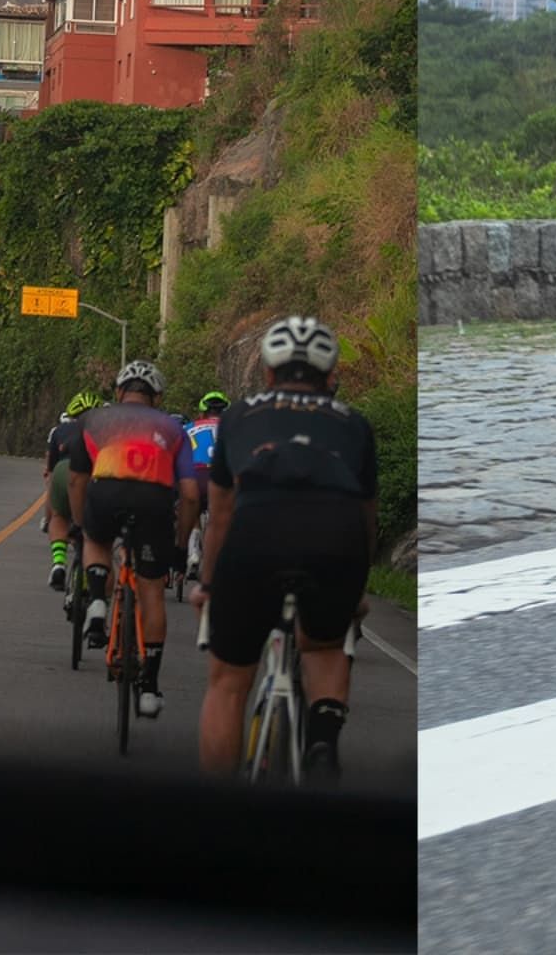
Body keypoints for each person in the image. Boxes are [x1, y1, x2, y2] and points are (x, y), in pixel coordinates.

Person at [191, 317, 376, 783]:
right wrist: (355, 587)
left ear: (268, 373)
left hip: (257, 535)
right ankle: (321, 741)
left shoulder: (238, 415)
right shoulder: (354, 424)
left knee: (229, 682)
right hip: (336, 542)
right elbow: (365, 516)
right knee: (324, 647)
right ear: (331, 376)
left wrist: (209, 585)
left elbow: (222, 512)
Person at [68, 359, 200, 720]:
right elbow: (190, 494)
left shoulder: (94, 420)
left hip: (106, 493)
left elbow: (77, 480)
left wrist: (82, 525)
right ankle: (150, 688)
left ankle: (97, 600)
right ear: (157, 397)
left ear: (117, 392)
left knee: (95, 541)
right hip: (154, 502)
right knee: (151, 591)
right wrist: (179, 545)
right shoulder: (174, 429)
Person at [41, 391, 101, 590]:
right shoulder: (105, 431)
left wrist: (48, 512)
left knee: (59, 516)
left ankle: (59, 562)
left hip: (63, 470)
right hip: (95, 473)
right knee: (90, 525)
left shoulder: (60, 431)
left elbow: (50, 472)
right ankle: (88, 577)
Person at [183, 390, 230, 579]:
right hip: (222, 474)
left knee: (192, 509)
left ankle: (193, 551)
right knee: (224, 513)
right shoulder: (233, 427)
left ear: (202, 413)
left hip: (197, 473)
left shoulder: (189, 427)